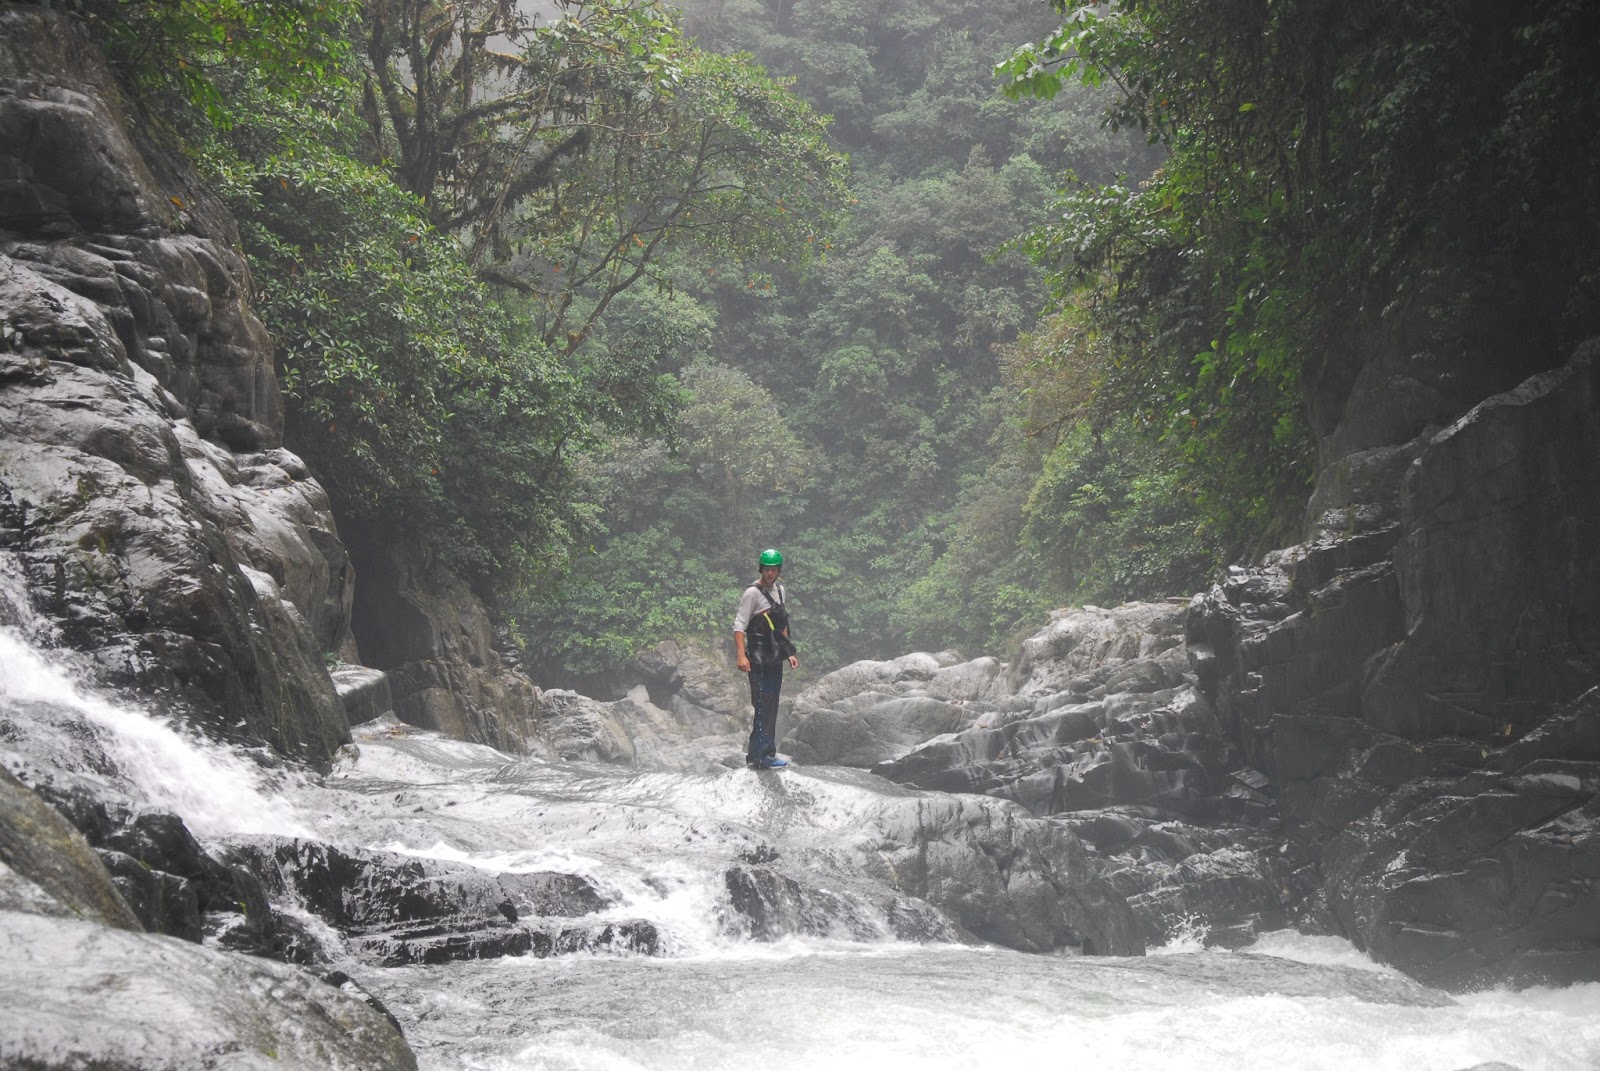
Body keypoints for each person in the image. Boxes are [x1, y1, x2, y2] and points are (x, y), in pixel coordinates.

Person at [734, 547, 799, 769]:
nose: (770, 574)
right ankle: (762, 756)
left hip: (774, 657)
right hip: (757, 657)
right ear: (761, 569)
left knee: (772, 704)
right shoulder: (752, 593)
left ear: (779, 570)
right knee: (762, 704)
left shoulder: (780, 591)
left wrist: (789, 652)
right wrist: (741, 656)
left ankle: (760, 754)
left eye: (774, 570)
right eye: (766, 569)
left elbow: (781, 626)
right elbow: (739, 626)